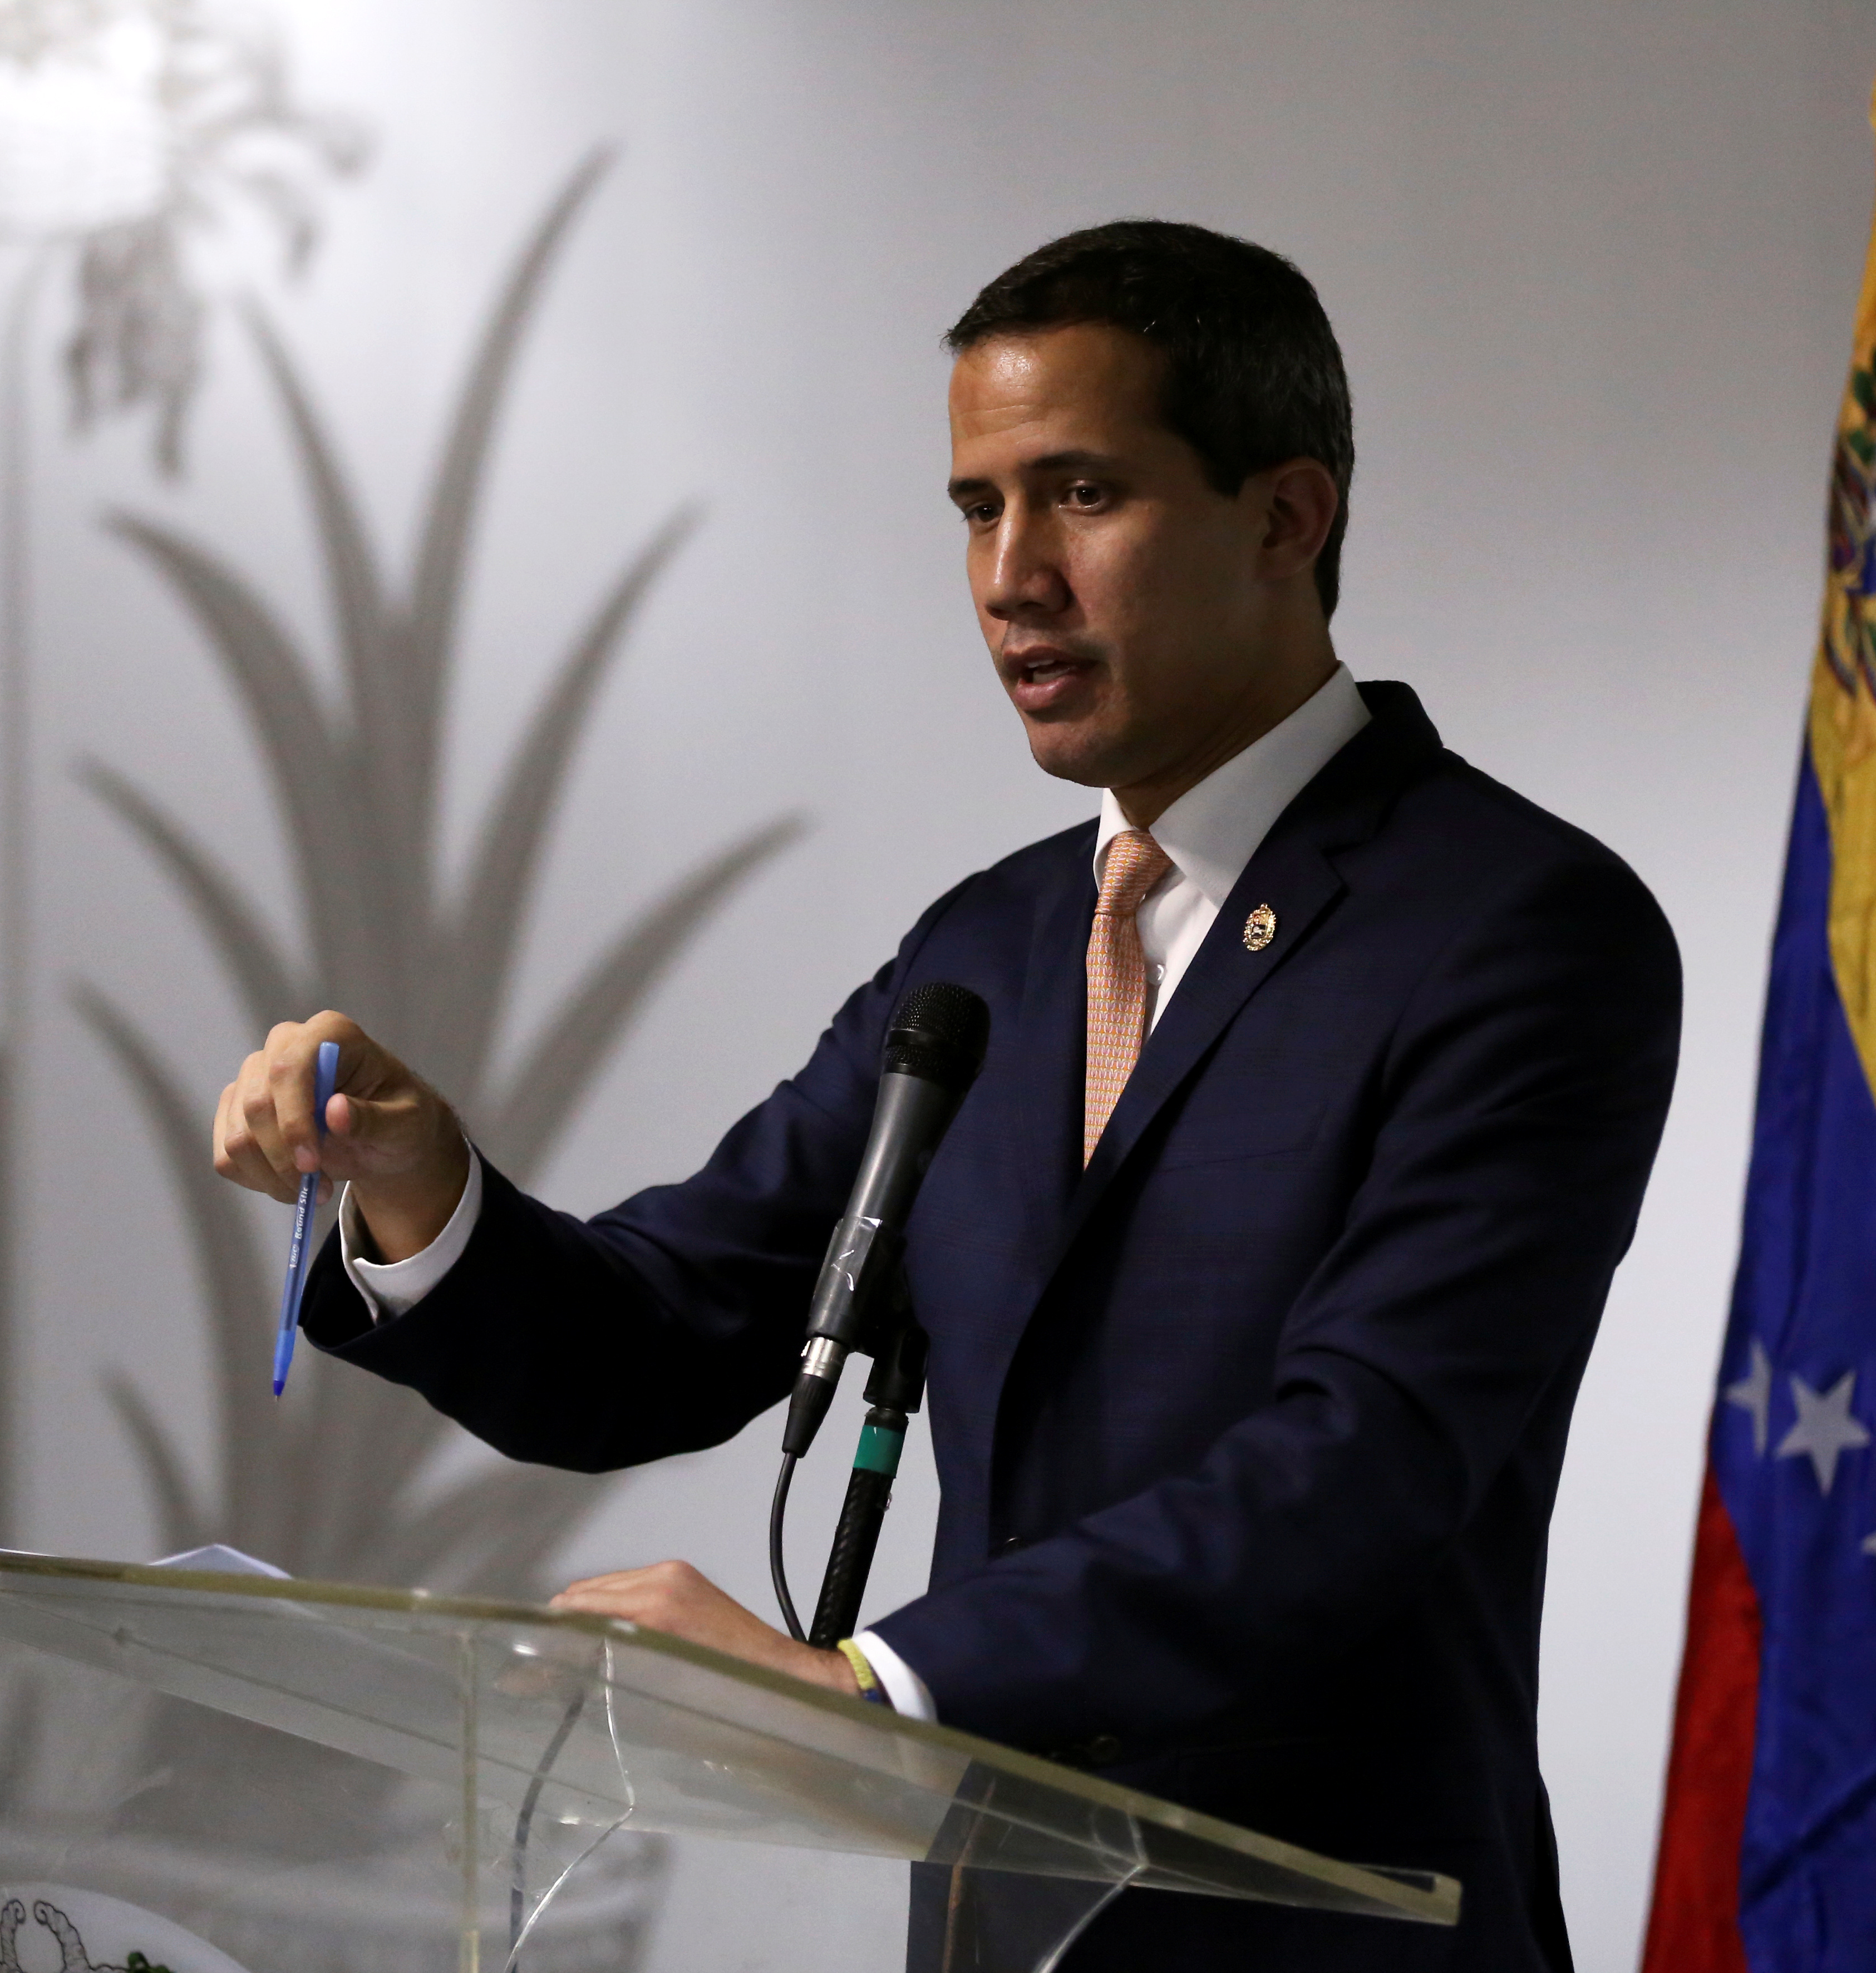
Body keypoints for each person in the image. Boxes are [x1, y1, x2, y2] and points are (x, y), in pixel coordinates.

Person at [210, 220, 1680, 1971]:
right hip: (998, 1928)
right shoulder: (987, 949)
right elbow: (661, 1329)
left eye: (1081, 494)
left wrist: (877, 1682)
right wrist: (417, 1189)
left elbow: (1362, 1462)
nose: (1010, 577)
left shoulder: (1516, 926)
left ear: (1287, 517)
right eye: (980, 508)